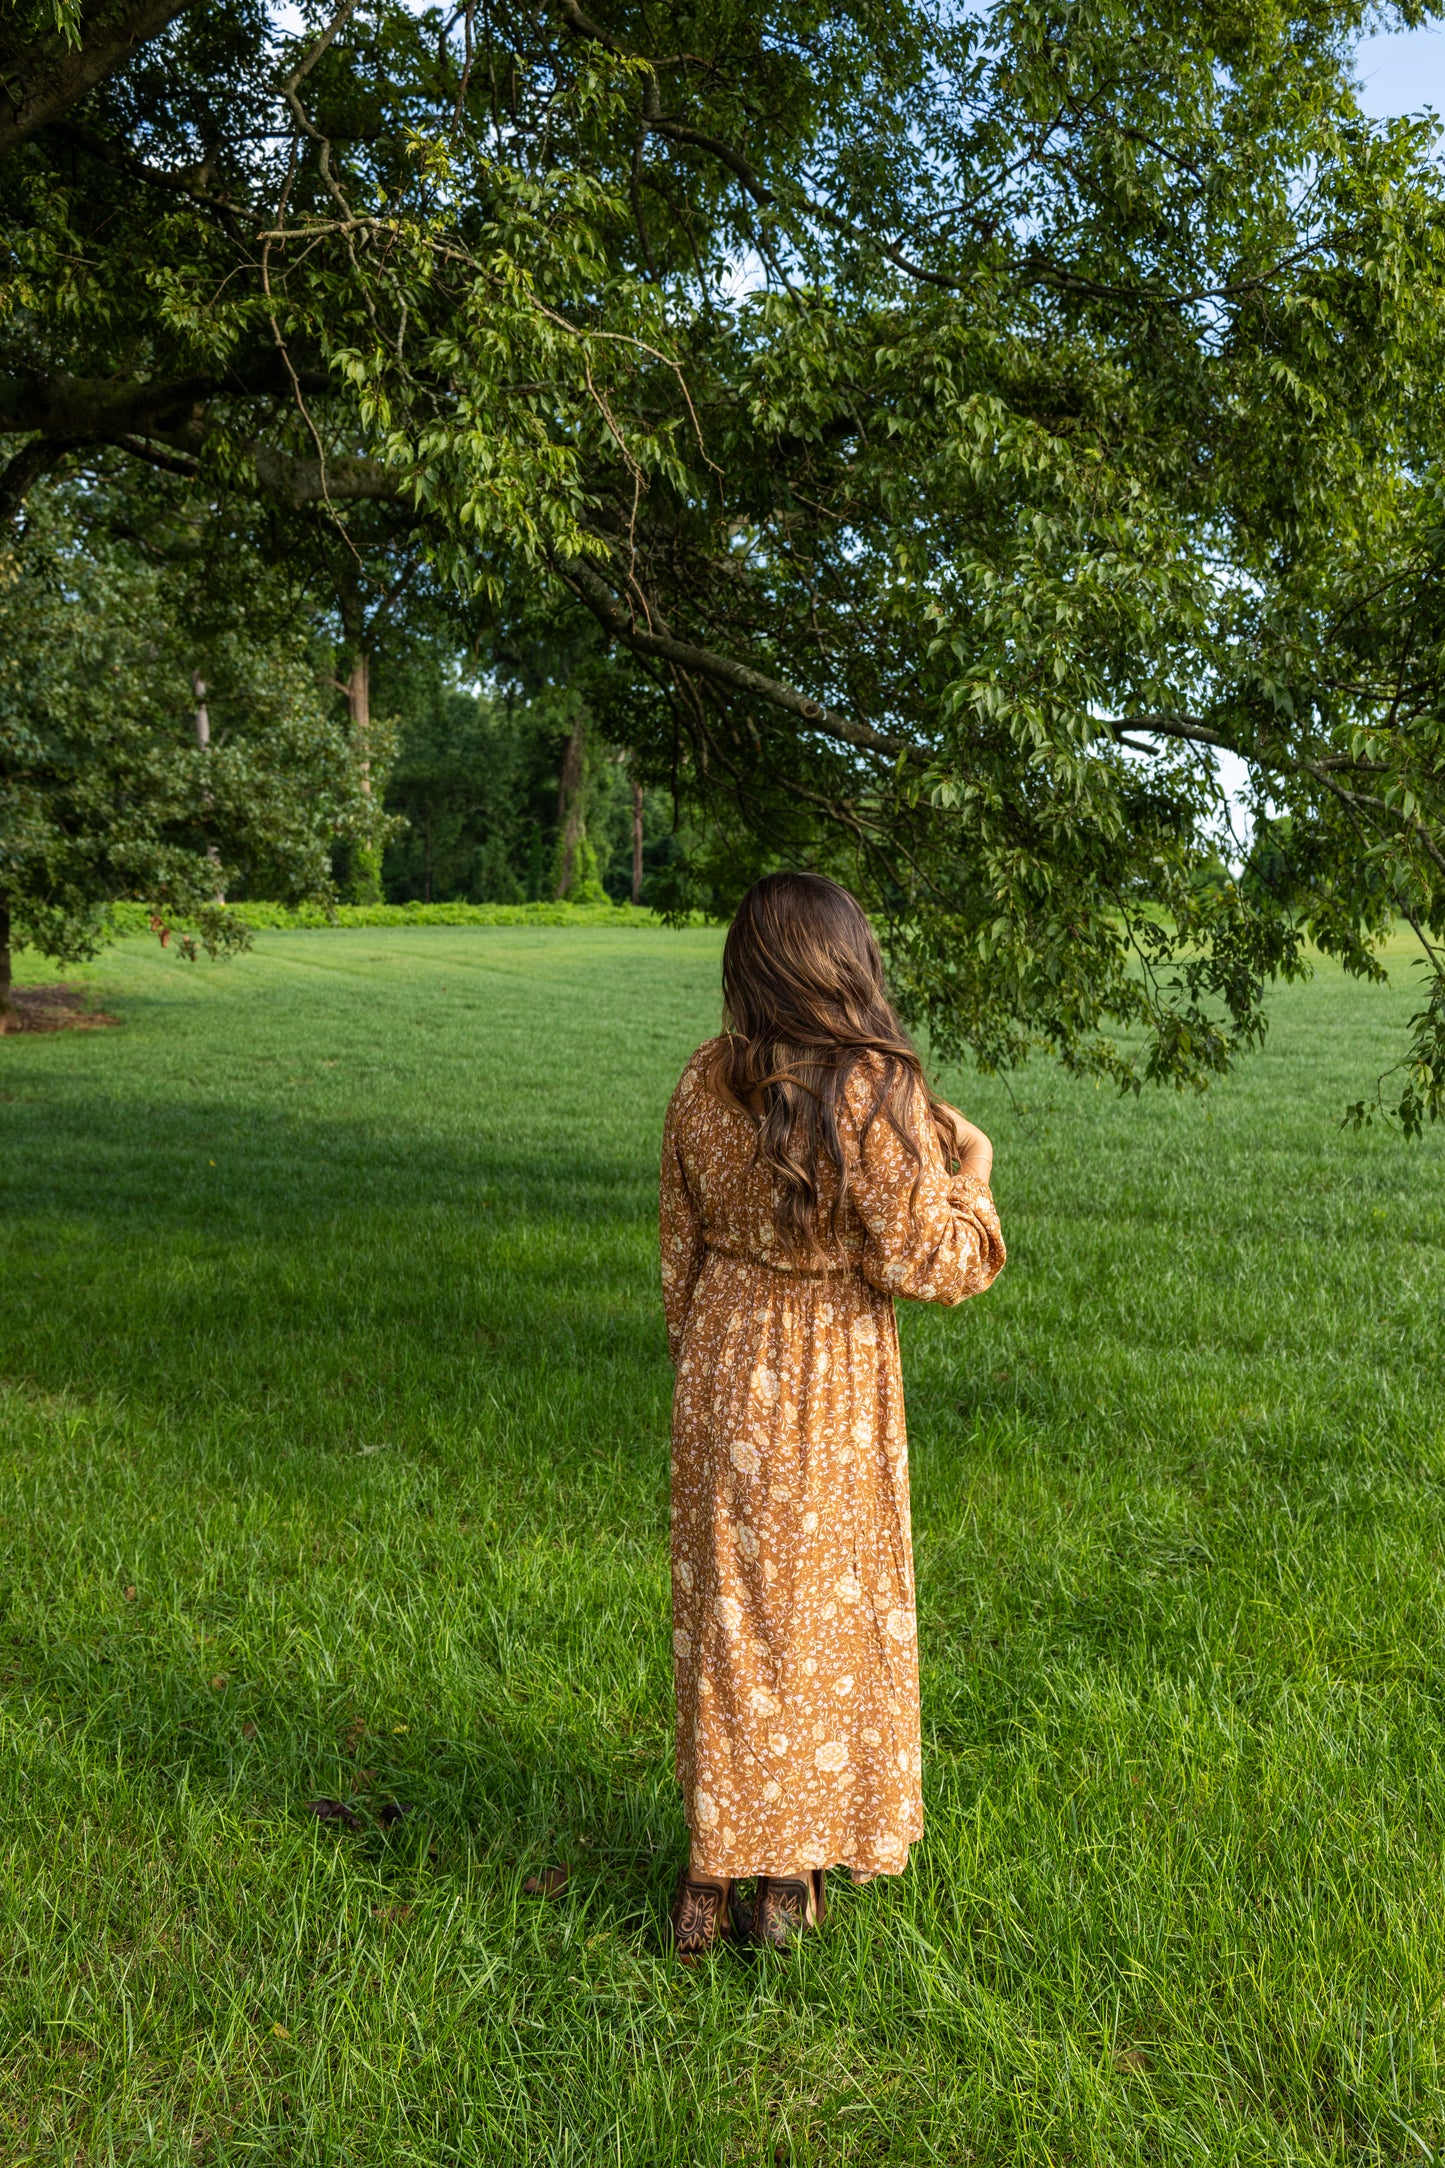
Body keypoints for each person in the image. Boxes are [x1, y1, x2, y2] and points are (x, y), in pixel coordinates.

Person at [660, 871, 1006, 1959]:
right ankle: (785, 1876)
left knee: (731, 1619)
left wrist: (705, 1361)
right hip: (824, 1381)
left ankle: (710, 1873)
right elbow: (930, 1259)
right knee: (809, 1621)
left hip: (719, 1359)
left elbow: (679, 1251)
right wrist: (974, 1177)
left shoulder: (698, 1081)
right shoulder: (864, 1088)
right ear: (840, 963)